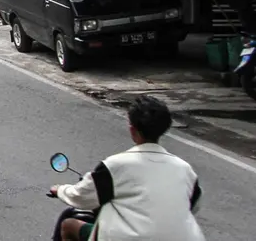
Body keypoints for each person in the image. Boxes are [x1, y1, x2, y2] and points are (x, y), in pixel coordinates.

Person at [51, 95, 205, 241]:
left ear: (132, 129)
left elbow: (80, 196)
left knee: (68, 225)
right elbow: (193, 206)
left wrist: (60, 190)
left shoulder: (114, 166)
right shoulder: (185, 170)